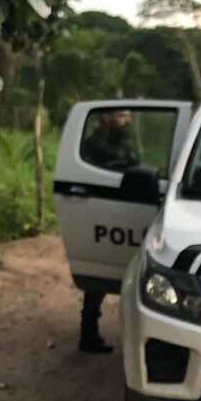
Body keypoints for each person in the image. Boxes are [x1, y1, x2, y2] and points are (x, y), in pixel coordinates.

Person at [78, 109, 139, 354]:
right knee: (98, 277)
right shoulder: (94, 146)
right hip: (104, 211)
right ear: (105, 117)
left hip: (124, 208)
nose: (127, 120)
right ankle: (88, 334)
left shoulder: (122, 142)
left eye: (128, 116)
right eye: (122, 116)